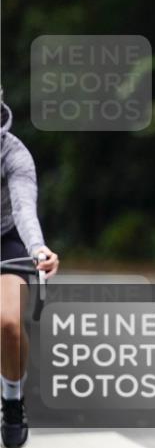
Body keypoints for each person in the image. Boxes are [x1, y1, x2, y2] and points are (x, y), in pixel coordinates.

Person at [0, 91, 59, 448]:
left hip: (6, 239)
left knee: (8, 323)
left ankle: (11, 399)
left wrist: (37, 249)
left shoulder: (13, 152)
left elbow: (24, 208)